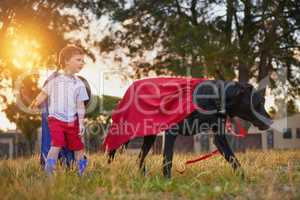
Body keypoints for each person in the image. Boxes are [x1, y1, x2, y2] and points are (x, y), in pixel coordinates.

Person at [30, 45, 89, 175]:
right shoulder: (55, 79)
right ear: (67, 60)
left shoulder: (79, 84)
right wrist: (36, 102)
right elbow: (44, 93)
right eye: (78, 60)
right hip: (55, 120)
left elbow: (80, 106)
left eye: (83, 60)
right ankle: (49, 171)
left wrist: (81, 123)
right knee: (56, 146)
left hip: (72, 121)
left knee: (79, 148)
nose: (82, 63)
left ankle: (82, 172)